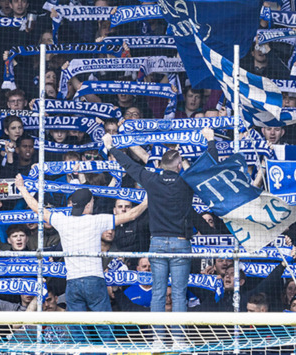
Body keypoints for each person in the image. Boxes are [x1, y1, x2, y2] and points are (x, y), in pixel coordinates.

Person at [15, 176, 147, 311]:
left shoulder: (62, 221)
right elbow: (131, 215)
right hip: (94, 279)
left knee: (76, 323)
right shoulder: (97, 220)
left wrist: (22, 188)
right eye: (93, 202)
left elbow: (38, 209)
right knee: (103, 321)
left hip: (73, 281)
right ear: (88, 205)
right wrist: (148, 199)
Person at [102, 133, 195, 312]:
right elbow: (207, 167)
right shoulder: (186, 181)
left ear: (159, 166)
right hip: (180, 242)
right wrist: (210, 141)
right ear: (178, 166)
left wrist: (111, 147)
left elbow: (129, 165)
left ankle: (156, 332)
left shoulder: (152, 180)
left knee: (158, 291)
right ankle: (178, 332)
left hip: (157, 243)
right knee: (178, 293)